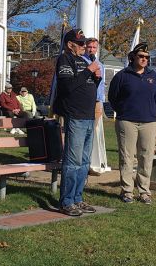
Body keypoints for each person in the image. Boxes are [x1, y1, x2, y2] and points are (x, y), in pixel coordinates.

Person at [53, 28, 101, 216]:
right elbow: (68, 86)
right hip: (76, 117)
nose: (84, 46)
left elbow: (85, 86)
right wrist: (89, 71)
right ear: (69, 44)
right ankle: (66, 201)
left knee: (84, 162)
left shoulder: (83, 60)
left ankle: (78, 198)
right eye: (80, 43)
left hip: (89, 116)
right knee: (72, 161)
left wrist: (96, 79)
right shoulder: (65, 60)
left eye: (84, 43)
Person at [108, 42, 156, 205]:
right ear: (133, 57)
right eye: (141, 56)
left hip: (149, 122)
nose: (144, 59)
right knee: (127, 157)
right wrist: (123, 112)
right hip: (127, 122)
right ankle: (127, 191)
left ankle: (144, 191)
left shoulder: (153, 76)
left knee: (146, 157)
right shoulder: (122, 76)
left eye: (147, 57)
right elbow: (113, 98)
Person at [83, 38, 106, 176]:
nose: (91, 49)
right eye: (89, 47)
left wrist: (101, 103)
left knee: (91, 134)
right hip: (85, 102)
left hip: (97, 102)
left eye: (94, 47)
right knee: (82, 133)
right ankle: (79, 164)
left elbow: (102, 86)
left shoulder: (100, 64)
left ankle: (87, 164)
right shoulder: (81, 62)